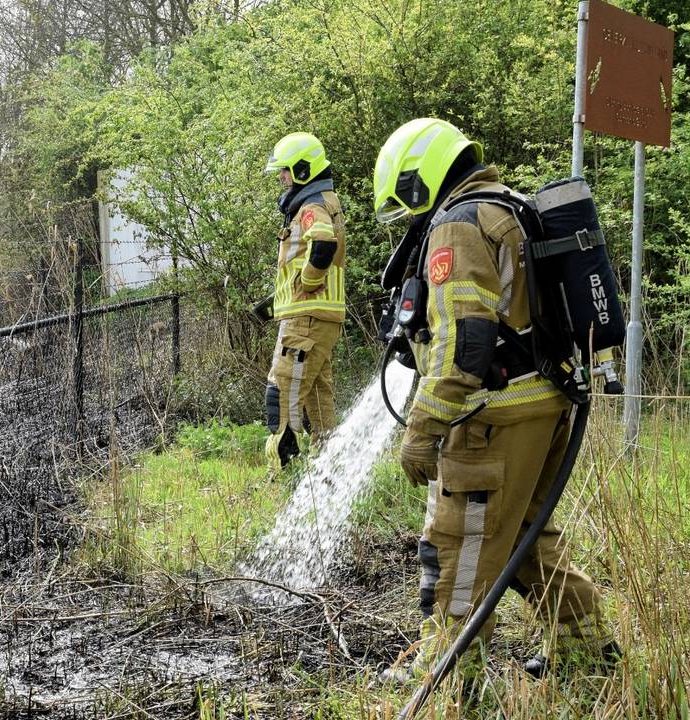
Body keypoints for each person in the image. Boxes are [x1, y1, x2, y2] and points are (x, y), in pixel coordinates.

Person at [371, 118, 618, 684]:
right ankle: (587, 650)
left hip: (493, 420)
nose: (410, 215)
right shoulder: (508, 206)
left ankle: (448, 670)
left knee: (460, 538)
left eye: (406, 200)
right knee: (528, 536)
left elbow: (464, 341)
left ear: (419, 179)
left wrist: (423, 429)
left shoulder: (459, 225)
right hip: (546, 405)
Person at [261, 132, 347, 471]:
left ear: (302, 169)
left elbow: (323, 244)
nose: (281, 178)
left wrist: (308, 282)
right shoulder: (323, 201)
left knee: (280, 394)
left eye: (284, 171)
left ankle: (281, 476)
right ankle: (327, 469)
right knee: (317, 398)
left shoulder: (311, 207)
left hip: (307, 318)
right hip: (318, 316)